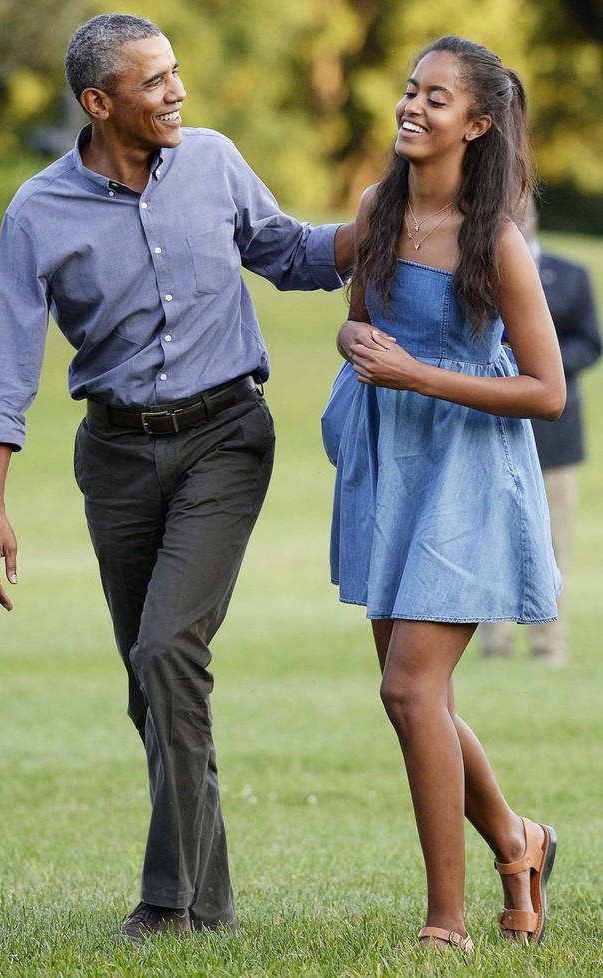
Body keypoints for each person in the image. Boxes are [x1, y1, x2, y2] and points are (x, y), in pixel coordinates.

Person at [0, 13, 354, 944]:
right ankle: (214, 908)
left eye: (175, 72)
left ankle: (165, 903)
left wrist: (392, 220)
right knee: (153, 683)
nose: (176, 91)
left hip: (227, 439)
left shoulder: (217, 160)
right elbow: (3, 374)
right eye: (153, 82)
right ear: (99, 102)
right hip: (114, 458)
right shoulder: (38, 212)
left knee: (167, 651)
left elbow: (291, 254)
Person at [329, 36, 565, 950]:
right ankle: (519, 840)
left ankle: (447, 923)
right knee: (411, 696)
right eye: (410, 90)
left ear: (477, 124)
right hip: (391, 471)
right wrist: (358, 349)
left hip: (467, 475)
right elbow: (361, 329)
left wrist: (417, 374)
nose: (412, 108)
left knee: (410, 689)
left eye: (437, 98)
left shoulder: (494, 239)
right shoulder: (375, 209)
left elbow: (546, 390)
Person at [478, 198, 601, 665]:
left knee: (554, 545)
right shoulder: (475, 268)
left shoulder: (570, 275)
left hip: (555, 435)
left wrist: (539, 368)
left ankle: (550, 644)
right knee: (489, 537)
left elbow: (590, 341)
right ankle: (495, 643)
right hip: (489, 425)